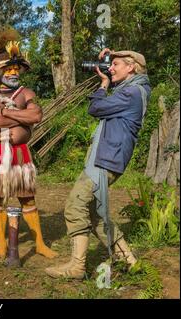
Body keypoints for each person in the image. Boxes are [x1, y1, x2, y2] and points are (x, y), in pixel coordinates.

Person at [45, 49, 151, 279]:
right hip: (109, 158)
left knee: (75, 205)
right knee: (96, 214)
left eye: (115, 64)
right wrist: (110, 67)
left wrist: (103, 85)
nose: (110, 68)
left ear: (131, 67)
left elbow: (95, 108)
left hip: (106, 160)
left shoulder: (131, 92)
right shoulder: (133, 90)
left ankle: (76, 267)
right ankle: (130, 261)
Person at [0, 28, 58, 260]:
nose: (13, 72)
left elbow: (36, 116)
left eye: (16, 68)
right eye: (8, 69)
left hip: (21, 153)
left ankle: (40, 243)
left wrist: (3, 111)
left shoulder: (26, 92)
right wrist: (15, 112)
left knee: (28, 197)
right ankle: (2, 244)